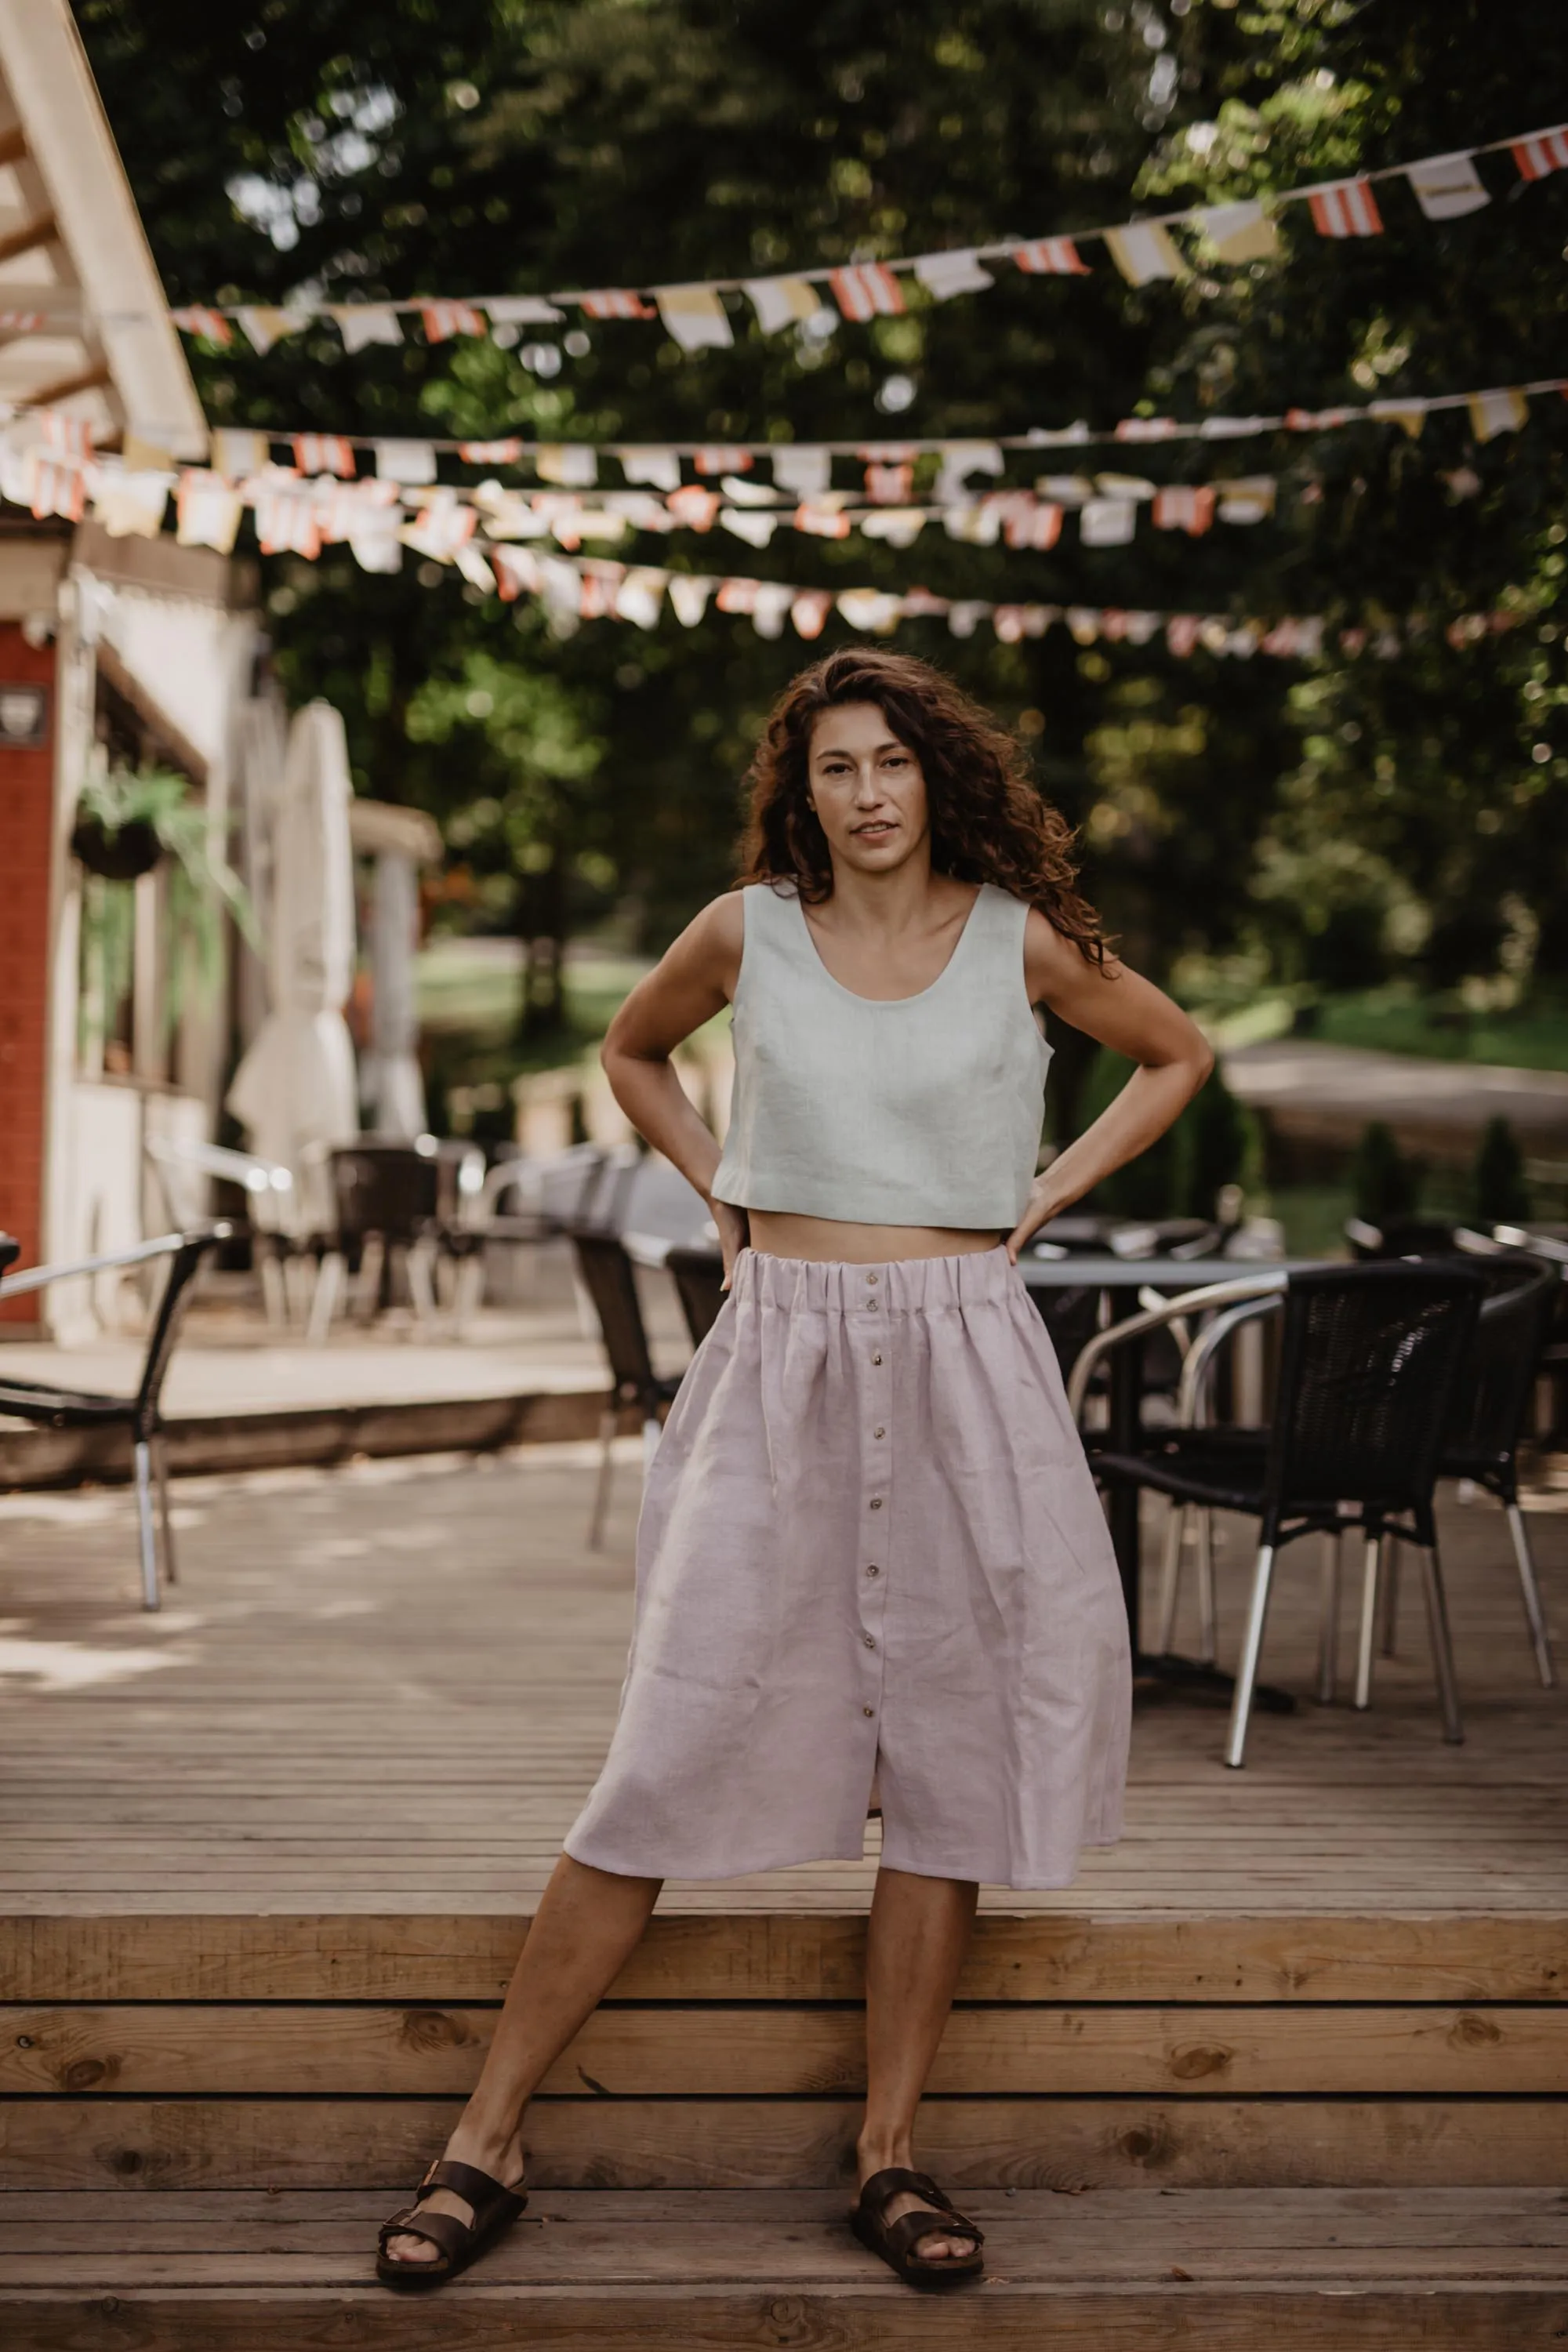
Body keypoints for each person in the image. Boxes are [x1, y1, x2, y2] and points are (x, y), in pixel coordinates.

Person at [377, 645, 1213, 2293]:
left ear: (936, 775)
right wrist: (716, 1182)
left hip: (968, 1353)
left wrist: (1040, 1194)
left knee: (952, 1759)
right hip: (782, 1358)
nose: (869, 793)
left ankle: (885, 2155)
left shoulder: (1017, 939)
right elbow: (636, 1053)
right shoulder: (745, 928)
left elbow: (1175, 1053)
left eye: (894, 761)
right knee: (670, 1736)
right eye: (836, 767)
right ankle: (487, 2136)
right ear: (800, 789)